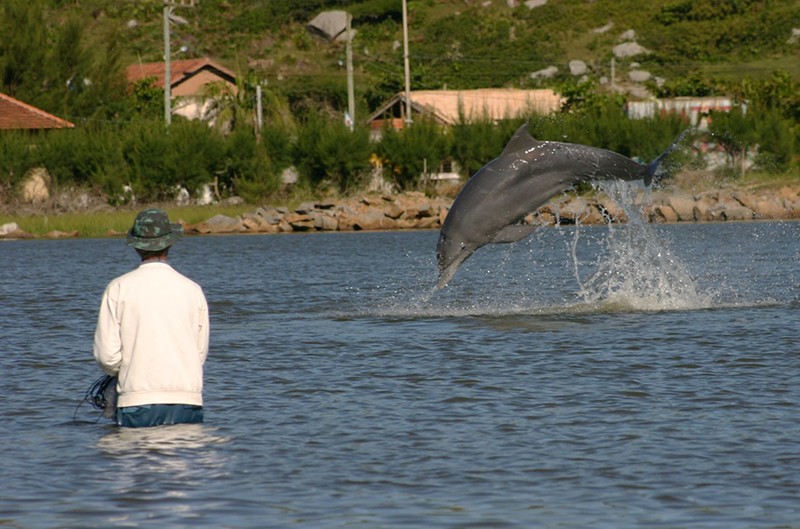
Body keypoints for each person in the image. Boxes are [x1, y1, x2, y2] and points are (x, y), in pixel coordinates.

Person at [93, 208, 209, 428]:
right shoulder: (193, 290)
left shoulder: (118, 288)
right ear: (170, 243)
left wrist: (133, 367)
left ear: (136, 246)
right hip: (188, 401)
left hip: (137, 403)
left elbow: (107, 356)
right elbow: (199, 354)